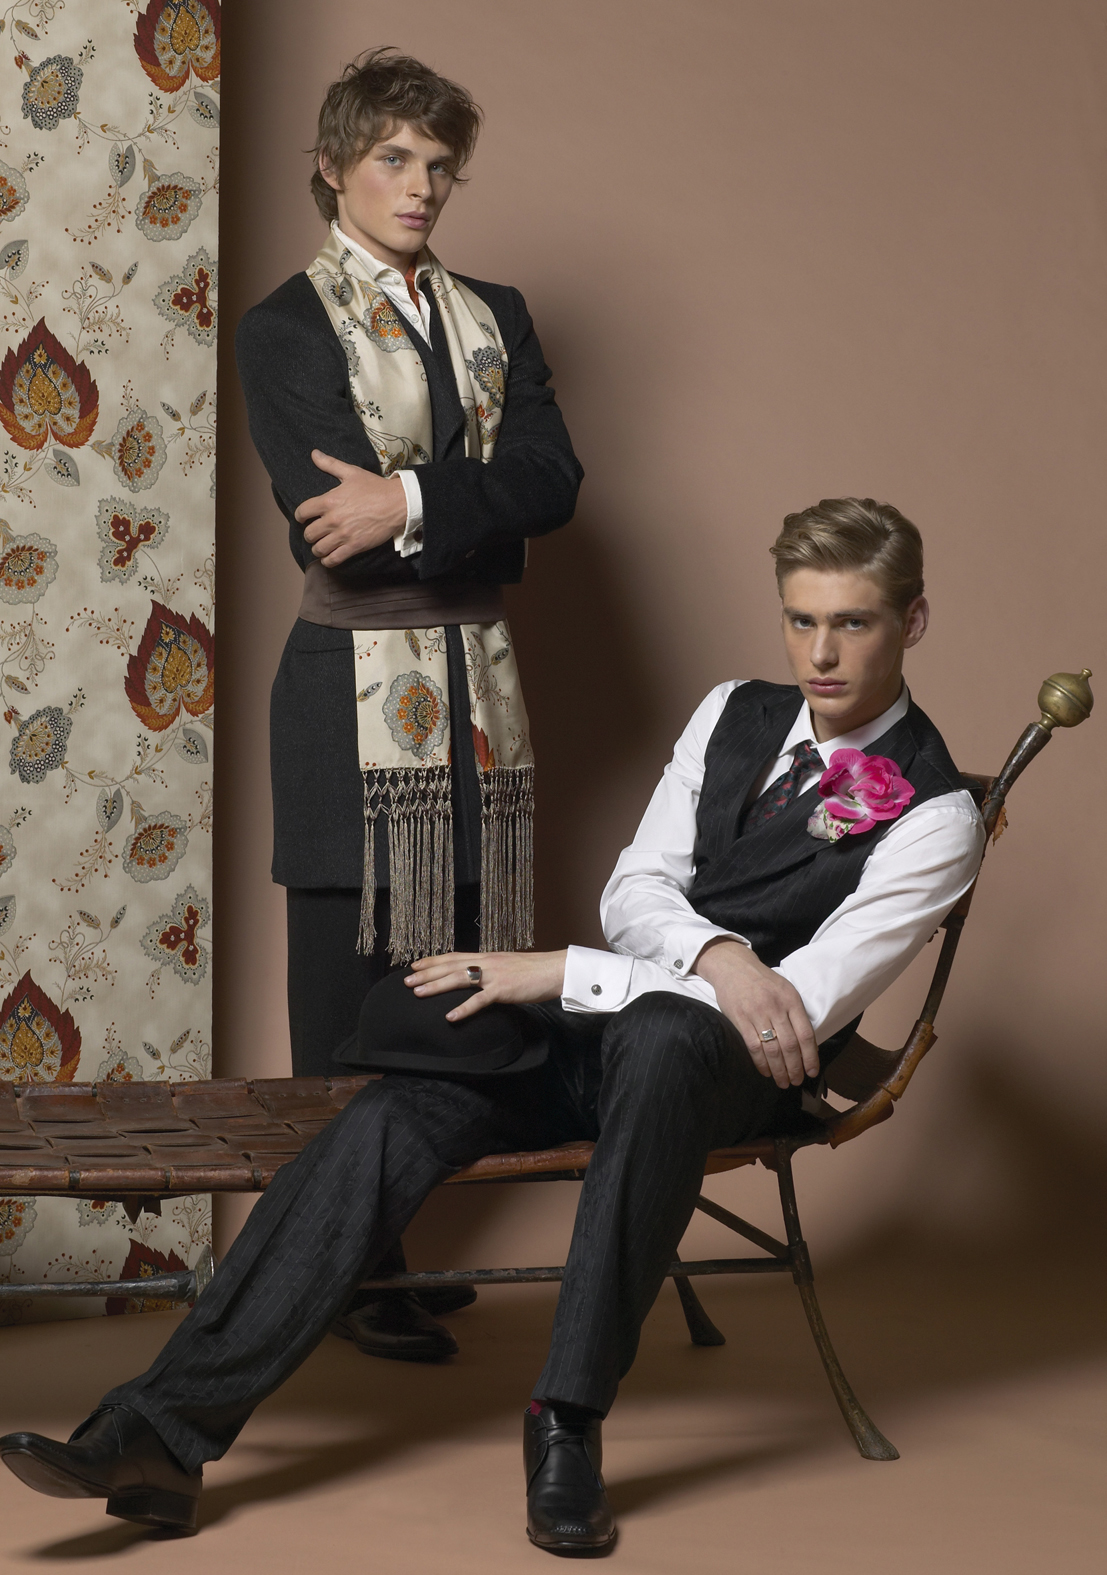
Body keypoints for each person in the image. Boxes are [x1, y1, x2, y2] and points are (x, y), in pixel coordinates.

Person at [0, 500, 984, 1555]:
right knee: (403, 1109)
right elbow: (634, 889)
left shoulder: (936, 816)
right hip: (616, 1026)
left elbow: (803, 1008)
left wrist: (566, 971)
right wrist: (720, 956)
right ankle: (158, 1432)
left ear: (913, 621)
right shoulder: (730, 712)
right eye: (801, 620)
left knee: (663, 1038)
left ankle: (565, 1424)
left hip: (738, 1072)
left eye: (853, 623)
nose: (820, 654)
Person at [234, 48, 583, 1361]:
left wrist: (412, 498)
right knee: (343, 1004)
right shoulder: (283, 326)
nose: (421, 185)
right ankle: (337, 1275)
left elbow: (555, 483)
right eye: (394, 158)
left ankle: (387, 1248)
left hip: (479, 701)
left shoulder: (498, 314)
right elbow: (340, 543)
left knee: (453, 987)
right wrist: (453, 514)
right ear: (333, 167)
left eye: (440, 164)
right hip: (343, 703)